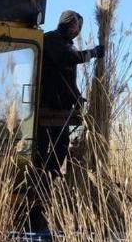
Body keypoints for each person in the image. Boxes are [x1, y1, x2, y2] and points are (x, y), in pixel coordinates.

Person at [37, 10, 104, 172]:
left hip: (61, 109)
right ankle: (39, 180)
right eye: (76, 26)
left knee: (61, 147)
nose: (78, 30)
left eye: (80, 27)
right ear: (67, 23)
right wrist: (92, 53)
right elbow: (65, 59)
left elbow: (68, 80)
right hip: (48, 106)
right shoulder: (51, 39)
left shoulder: (67, 45)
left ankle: (47, 179)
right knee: (43, 148)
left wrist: (77, 97)